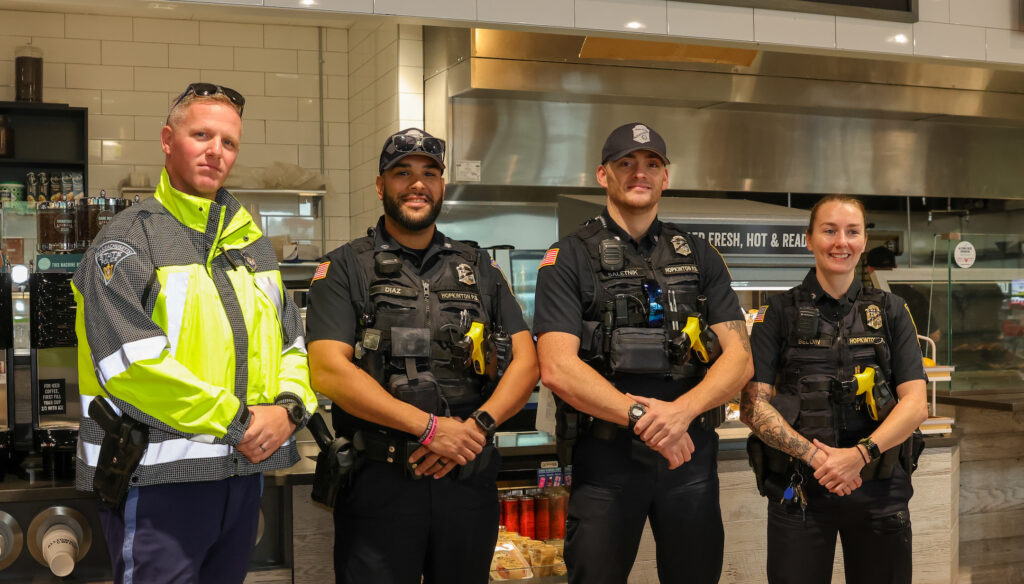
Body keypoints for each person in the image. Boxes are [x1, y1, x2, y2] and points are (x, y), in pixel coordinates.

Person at [73, 82, 317, 584]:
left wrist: (290, 409)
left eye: (229, 142)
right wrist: (242, 423)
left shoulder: (250, 244)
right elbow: (132, 367)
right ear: (168, 140)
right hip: (156, 485)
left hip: (240, 479)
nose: (216, 151)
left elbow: (292, 342)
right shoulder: (125, 242)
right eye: (201, 134)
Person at [305, 128, 539, 584]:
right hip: (380, 484)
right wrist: (431, 429)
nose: (417, 184)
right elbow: (328, 371)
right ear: (380, 185)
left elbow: (527, 360)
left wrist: (475, 430)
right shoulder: (345, 268)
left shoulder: (480, 267)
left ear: (442, 186)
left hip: (467, 480)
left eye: (429, 173)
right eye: (402, 173)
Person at [535, 122, 753, 584]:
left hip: (688, 455)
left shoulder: (698, 255)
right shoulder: (569, 256)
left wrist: (680, 413)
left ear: (665, 177)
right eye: (626, 163)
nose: (640, 173)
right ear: (603, 175)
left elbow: (739, 358)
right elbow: (556, 366)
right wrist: (643, 418)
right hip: (606, 459)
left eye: (652, 164)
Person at [740, 194, 929, 584]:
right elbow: (753, 407)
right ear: (809, 239)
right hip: (802, 491)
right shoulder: (777, 313)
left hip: (879, 489)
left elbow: (916, 405)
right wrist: (820, 459)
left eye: (852, 231)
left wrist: (858, 456)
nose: (841, 241)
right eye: (829, 230)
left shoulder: (892, 310)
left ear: (862, 240)